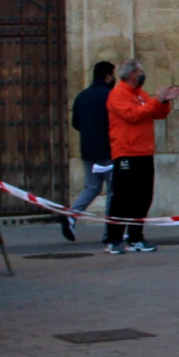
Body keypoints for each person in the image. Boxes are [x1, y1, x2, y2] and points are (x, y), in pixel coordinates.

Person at [105, 58, 178, 254]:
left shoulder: (140, 94)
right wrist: (157, 100)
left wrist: (164, 101)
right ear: (132, 74)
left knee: (143, 197)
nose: (143, 75)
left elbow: (156, 113)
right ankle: (113, 239)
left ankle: (136, 237)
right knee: (122, 198)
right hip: (126, 153)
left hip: (144, 152)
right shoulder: (118, 94)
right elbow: (133, 115)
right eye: (140, 71)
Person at [66, 60, 117, 241]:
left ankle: (72, 215)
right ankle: (110, 232)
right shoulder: (111, 95)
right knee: (113, 191)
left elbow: (75, 123)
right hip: (108, 151)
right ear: (108, 76)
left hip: (88, 150)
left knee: (92, 186)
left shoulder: (82, 96)